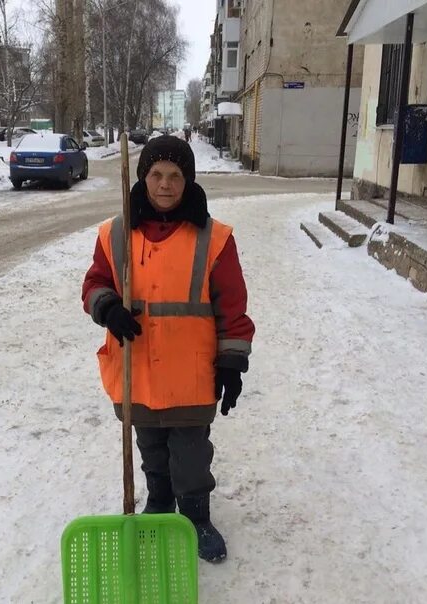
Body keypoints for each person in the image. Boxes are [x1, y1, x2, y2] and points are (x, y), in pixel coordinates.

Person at [82, 135, 255, 563]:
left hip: (190, 373)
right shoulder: (116, 232)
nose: (165, 184)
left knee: (191, 455)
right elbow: (94, 284)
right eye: (156, 174)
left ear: (189, 182)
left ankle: (196, 515)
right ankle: (159, 502)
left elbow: (232, 304)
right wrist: (107, 307)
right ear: (142, 178)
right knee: (151, 449)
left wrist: (232, 361)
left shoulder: (214, 238)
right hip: (136, 369)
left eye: (176, 176)